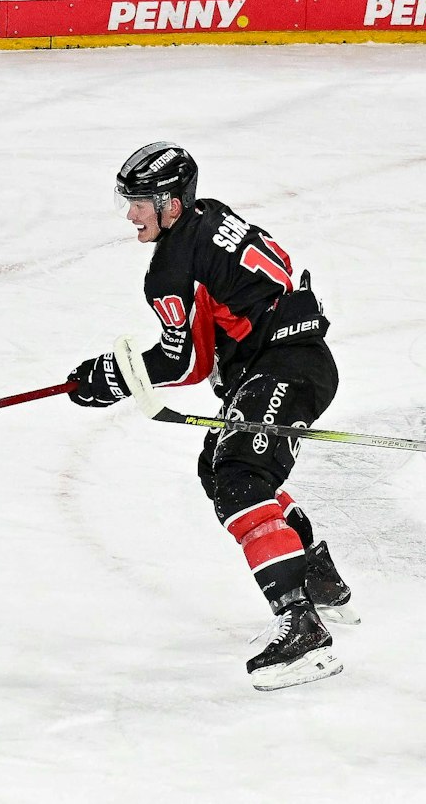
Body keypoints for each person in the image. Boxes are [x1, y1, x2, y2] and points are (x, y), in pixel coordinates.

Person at [68, 142, 352, 691]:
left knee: (241, 476)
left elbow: (187, 361)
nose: (131, 215)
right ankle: (313, 574)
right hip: (290, 361)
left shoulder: (172, 268)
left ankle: (302, 626)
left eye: (141, 203)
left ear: (172, 204)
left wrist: (110, 376)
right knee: (217, 467)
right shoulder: (211, 214)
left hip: (285, 366)